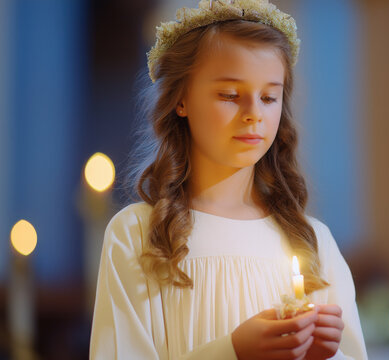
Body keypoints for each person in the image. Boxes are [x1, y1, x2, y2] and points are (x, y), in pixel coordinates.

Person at [88, 0, 368, 359]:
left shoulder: (313, 243)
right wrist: (233, 351)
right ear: (182, 99)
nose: (254, 114)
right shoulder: (140, 235)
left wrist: (324, 354)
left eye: (269, 97)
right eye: (230, 95)